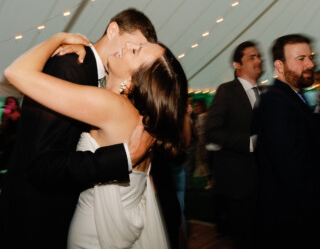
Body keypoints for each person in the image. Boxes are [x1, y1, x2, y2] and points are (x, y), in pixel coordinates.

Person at [4, 31, 188, 248]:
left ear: (131, 81)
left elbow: (16, 72)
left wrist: (60, 38)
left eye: (136, 51)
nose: (128, 44)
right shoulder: (139, 116)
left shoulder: (112, 106)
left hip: (93, 232)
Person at [253, 34, 320, 248]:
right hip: (293, 221)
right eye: (300, 59)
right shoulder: (276, 103)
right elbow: (293, 170)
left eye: (310, 57)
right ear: (279, 66)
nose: (310, 63)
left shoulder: (292, 97)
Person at [205, 41, 263, 249]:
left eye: (258, 56)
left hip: (262, 180)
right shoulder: (227, 91)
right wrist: (249, 143)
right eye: (252, 57)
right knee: (244, 239)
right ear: (237, 65)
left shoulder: (263, 92)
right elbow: (211, 132)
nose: (258, 60)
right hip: (239, 182)